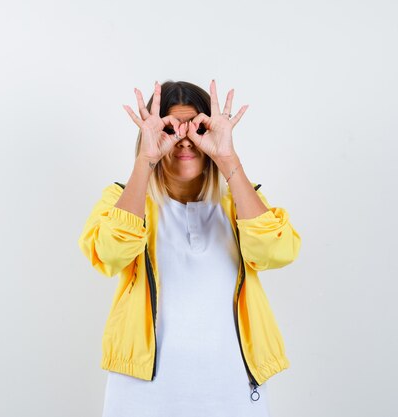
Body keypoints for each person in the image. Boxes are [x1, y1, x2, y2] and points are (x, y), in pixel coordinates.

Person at [78, 80, 302, 417]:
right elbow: (109, 254)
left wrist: (228, 159)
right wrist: (146, 160)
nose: (185, 139)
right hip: (140, 394)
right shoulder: (123, 200)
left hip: (233, 392)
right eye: (170, 128)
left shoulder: (240, 201)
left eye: (198, 127)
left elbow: (277, 251)